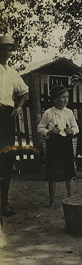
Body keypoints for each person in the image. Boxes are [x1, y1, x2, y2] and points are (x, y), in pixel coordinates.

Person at [37, 84, 79, 208]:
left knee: (69, 172)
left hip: (66, 144)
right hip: (53, 145)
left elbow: (76, 127)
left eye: (67, 97)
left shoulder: (69, 112)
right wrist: (49, 132)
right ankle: (52, 201)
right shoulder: (49, 113)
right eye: (63, 97)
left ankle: (71, 198)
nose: (66, 100)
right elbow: (39, 128)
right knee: (52, 173)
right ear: (55, 99)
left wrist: (72, 131)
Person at [0, 35, 28, 218]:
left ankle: (3, 204)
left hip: (6, 117)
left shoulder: (11, 72)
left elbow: (24, 91)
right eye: (5, 48)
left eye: (10, 49)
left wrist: (18, 107)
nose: (8, 52)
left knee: (6, 158)